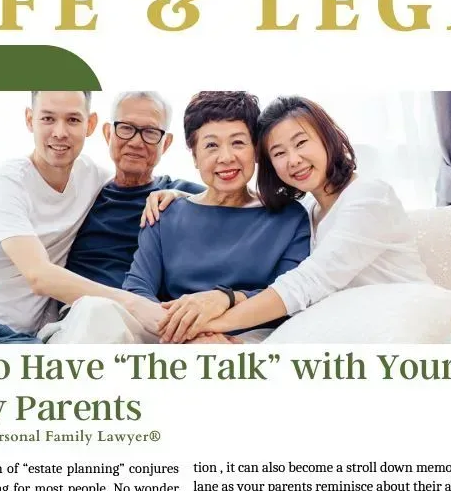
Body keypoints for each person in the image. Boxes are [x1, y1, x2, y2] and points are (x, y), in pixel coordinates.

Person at [155, 95, 431, 342]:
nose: (294, 160)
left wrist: (209, 326)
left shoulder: (370, 197)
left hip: (405, 329)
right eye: (279, 153)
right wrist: (177, 195)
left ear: (327, 138)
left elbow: (306, 283)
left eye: (301, 143)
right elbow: (225, 196)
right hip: (353, 332)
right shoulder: (310, 206)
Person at [0, 91, 163, 344]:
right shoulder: (7, 181)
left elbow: (140, 182)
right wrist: (134, 304)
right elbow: (39, 276)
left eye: (72, 119)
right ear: (29, 120)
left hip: (14, 338)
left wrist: (173, 194)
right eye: (47, 118)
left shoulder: (93, 178)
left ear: (90, 124)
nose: (60, 132)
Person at [82, 91, 312, 344]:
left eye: (237, 143)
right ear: (194, 157)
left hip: (248, 338)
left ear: (256, 151)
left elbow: (285, 296)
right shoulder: (164, 212)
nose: (226, 157)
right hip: (167, 331)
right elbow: (138, 288)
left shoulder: (290, 218)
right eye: (211, 145)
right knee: (96, 312)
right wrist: (188, 335)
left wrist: (221, 310)